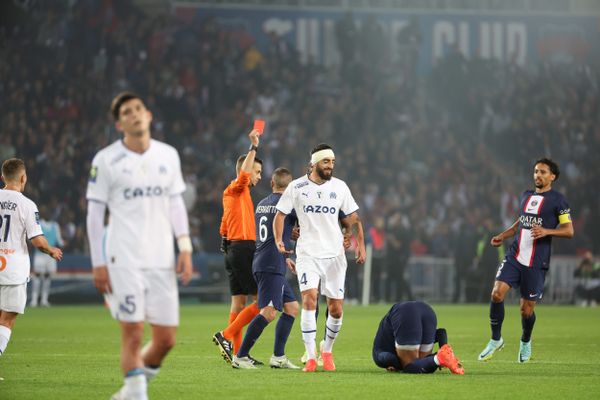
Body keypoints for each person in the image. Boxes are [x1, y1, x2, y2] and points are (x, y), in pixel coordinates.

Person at [86, 92, 193, 400]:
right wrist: (98, 262)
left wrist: (184, 247)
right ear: (120, 124)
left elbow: (175, 203)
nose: (133, 115)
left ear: (148, 115)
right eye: (126, 113)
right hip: (124, 258)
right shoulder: (106, 160)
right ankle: (136, 395)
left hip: (162, 258)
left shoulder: (168, 155)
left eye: (137, 109)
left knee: (166, 340)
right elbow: (95, 214)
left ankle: (127, 394)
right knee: (132, 334)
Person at [274, 143, 366, 372]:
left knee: (335, 309)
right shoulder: (297, 187)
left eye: (333, 162)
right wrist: (279, 239)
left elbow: (353, 219)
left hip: (335, 255)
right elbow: (280, 215)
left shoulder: (340, 187)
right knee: (309, 300)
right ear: (314, 163)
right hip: (308, 254)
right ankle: (312, 356)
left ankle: (327, 350)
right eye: (326, 162)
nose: (330, 166)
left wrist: (358, 243)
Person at [478, 158, 574, 364]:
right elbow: (521, 223)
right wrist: (503, 235)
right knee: (496, 294)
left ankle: (525, 341)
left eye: (543, 172)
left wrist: (547, 231)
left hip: (536, 261)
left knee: (526, 309)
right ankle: (496, 339)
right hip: (515, 255)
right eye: (536, 171)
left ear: (552, 177)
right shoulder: (526, 195)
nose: (538, 175)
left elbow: (569, 230)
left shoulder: (558, 200)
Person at [231, 167, 300, 369]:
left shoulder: (261, 204)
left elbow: (271, 232)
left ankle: (278, 357)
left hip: (264, 259)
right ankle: (240, 356)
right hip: (271, 264)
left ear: (272, 183)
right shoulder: (288, 204)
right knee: (269, 312)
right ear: (291, 187)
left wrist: (287, 244)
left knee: (292, 308)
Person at [0, 159, 63, 365]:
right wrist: (51, 250)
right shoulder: (27, 205)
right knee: (6, 320)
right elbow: (37, 240)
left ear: (2, 177)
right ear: (23, 178)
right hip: (12, 270)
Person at [212, 130, 263, 364]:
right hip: (243, 248)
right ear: (248, 169)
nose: (259, 177)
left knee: (238, 302)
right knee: (261, 301)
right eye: (257, 172)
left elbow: (224, 221)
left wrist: (224, 238)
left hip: (232, 249)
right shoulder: (238, 187)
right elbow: (244, 175)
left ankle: (238, 354)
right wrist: (253, 148)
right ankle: (227, 335)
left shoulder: (234, 194)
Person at [372, 301, 464, 375]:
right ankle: (445, 355)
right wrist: (443, 347)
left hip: (404, 313)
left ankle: (440, 358)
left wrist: (397, 365)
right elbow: (441, 332)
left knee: (410, 366)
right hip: (427, 309)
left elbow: (388, 358)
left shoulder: (378, 357)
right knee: (422, 364)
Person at [30, 205, 64, 307]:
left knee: (47, 276)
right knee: (37, 276)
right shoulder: (38, 224)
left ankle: (44, 300)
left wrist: (64, 243)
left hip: (51, 254)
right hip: (40, 253)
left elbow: (59, 240)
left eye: (49, 212)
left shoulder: (55, 226)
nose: (47, 214)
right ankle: (34, 300)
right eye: (45, 212)